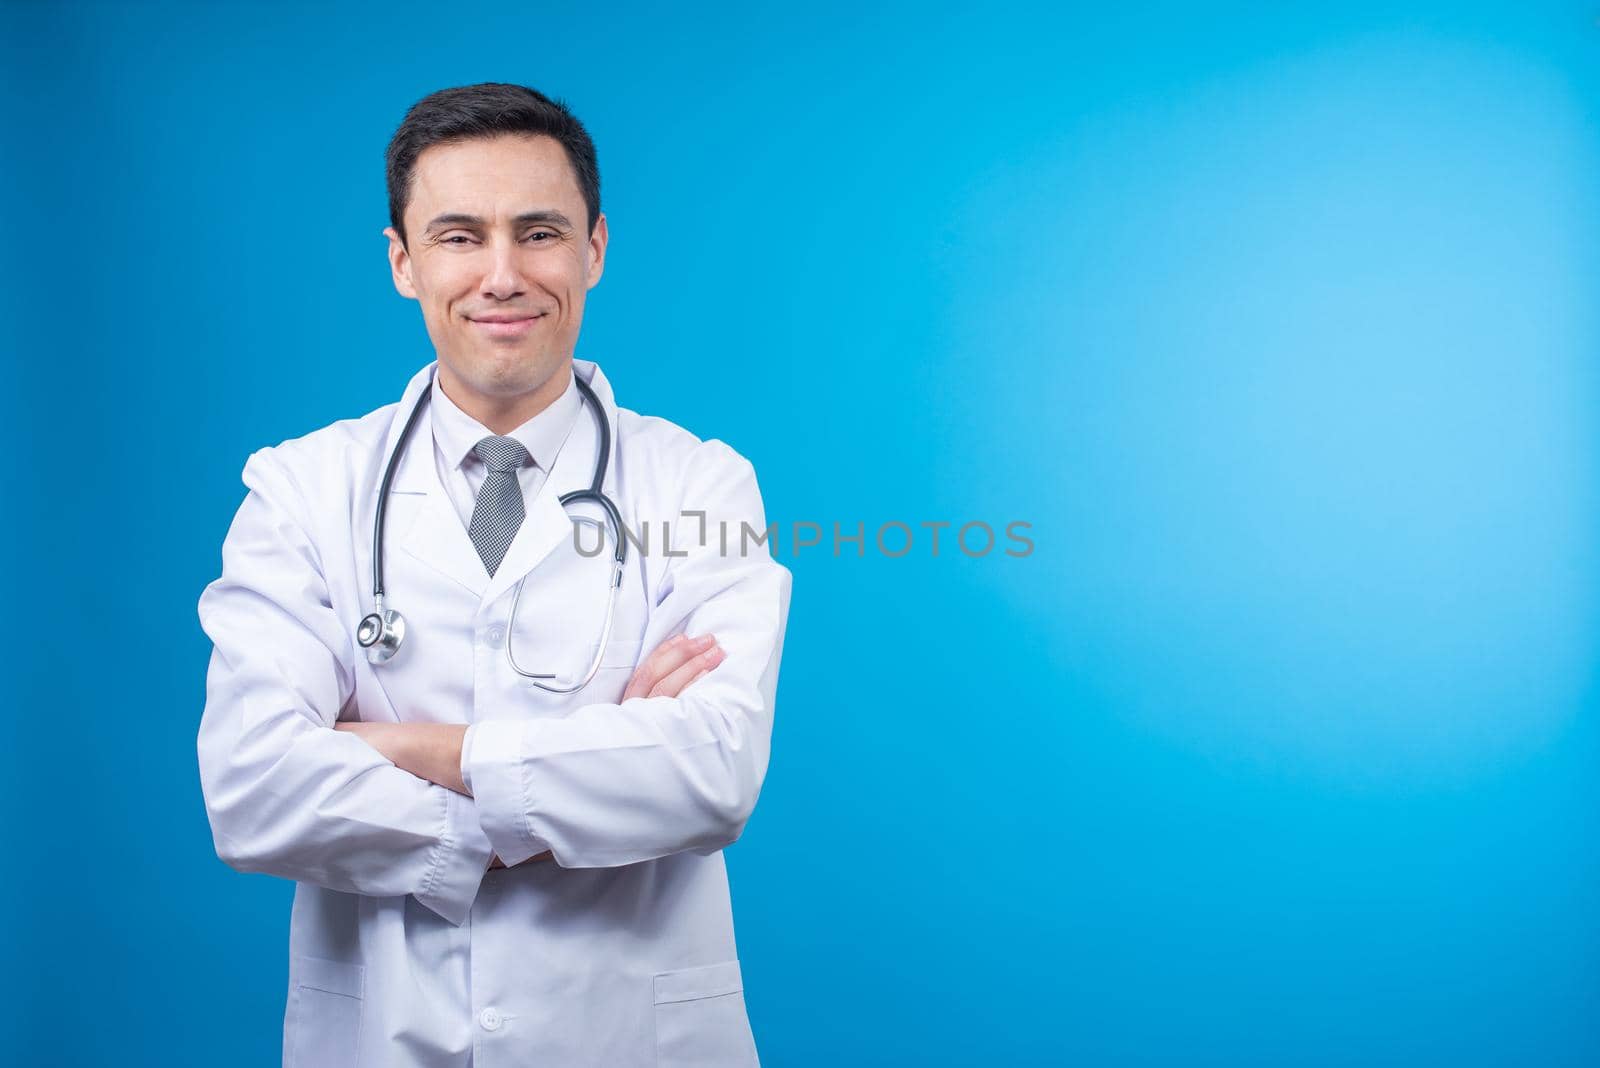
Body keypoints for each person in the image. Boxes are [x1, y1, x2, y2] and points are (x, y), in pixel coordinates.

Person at [196, 82, 792, 1067]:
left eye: (540, 232)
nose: (503, 275)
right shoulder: (303, 487)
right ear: (404, 261)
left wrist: (407, 746)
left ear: (595, 247)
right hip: (387, 1033)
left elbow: (710, 775)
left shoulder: (698, 482)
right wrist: (575, 779)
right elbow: (251, 787)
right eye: (460, 235)